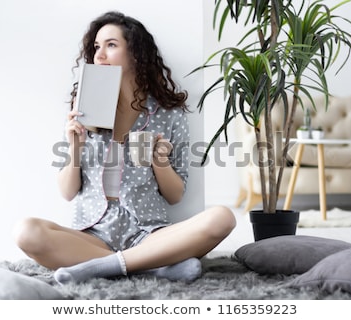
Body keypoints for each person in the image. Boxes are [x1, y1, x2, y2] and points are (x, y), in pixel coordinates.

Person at [13, 11, 236, 283]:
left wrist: (160, 162)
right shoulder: (84, 109)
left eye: (111, 45)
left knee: (222, 218)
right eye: (96, 47)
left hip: (148, 233)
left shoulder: (168, 114)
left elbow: (175, 195)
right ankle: (152, 266)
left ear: (136, 54)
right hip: (92, 235)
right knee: (26, 232)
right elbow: (67, 192)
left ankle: (101, 268)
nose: (100, 55)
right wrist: (74, 148)